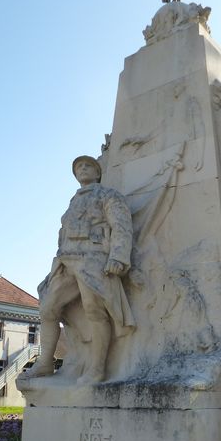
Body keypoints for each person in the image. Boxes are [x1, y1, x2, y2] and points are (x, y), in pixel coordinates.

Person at [28, 155, 135, 383]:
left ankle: (96, 369)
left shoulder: (108, 195)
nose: (83, 169)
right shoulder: (72, 202)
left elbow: (121, 225)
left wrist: (118, 256)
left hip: (94, 259)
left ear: (98, 173)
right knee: (48, 309)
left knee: (94, 310)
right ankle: (45, 362)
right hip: (66, 261)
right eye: (79, 167)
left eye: (88, 166)